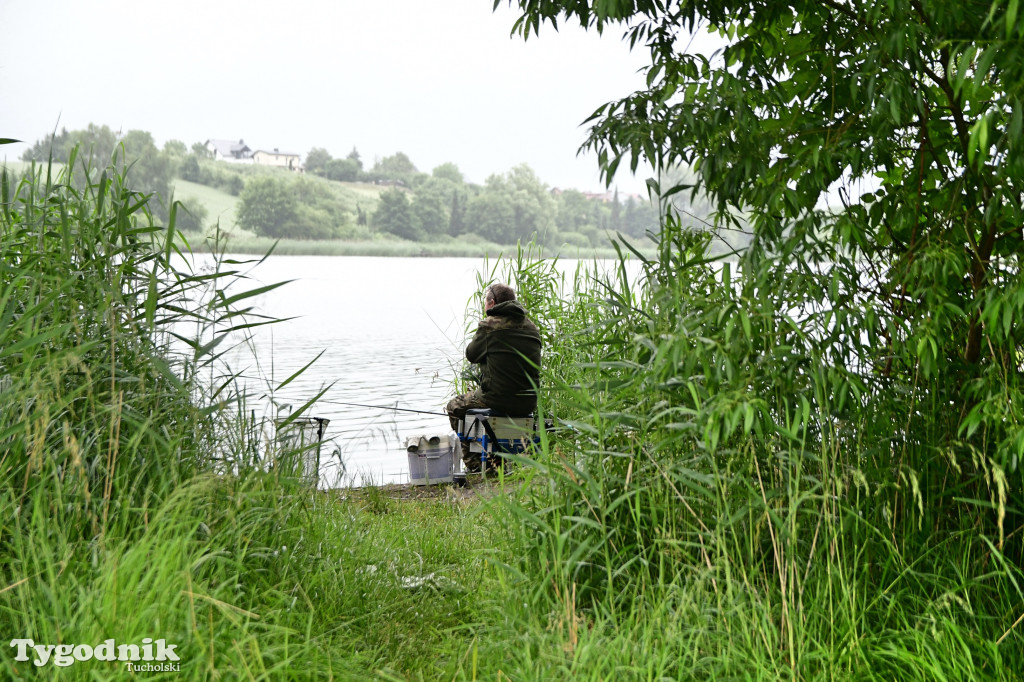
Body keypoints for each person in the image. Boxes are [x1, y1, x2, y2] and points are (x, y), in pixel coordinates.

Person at [447, 283, 542, 471]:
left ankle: (475, 463)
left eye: (484, 302)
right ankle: (497, 457)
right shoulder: (532, 327)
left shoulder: (489, 326)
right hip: (528, 402)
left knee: (455, 406)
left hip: (497, 399)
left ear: (491, 303)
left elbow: (471, 355)